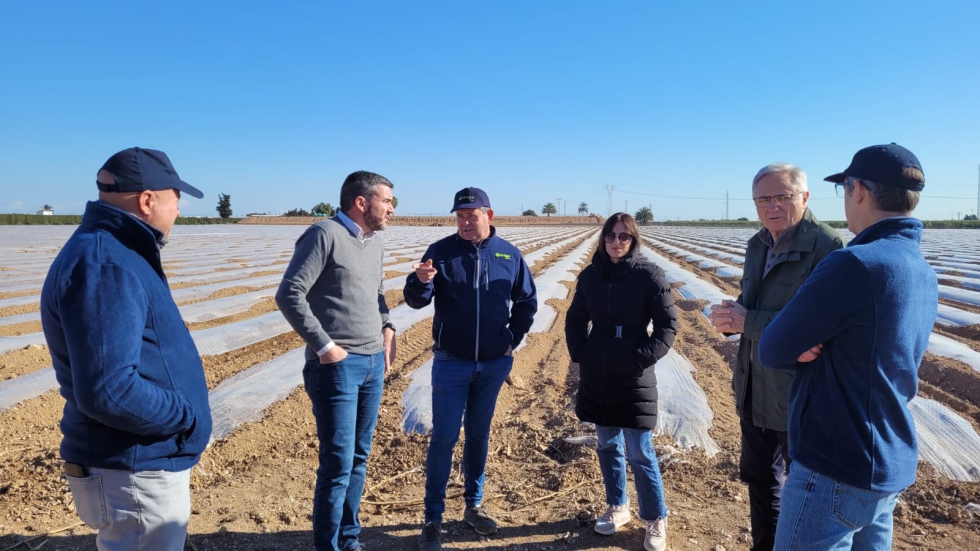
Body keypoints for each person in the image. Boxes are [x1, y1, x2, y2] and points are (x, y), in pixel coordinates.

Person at [758, 144, 937, 550]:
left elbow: (772, 347)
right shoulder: (919, 267)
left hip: (834, 466)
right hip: (886, 459)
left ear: (858, 190)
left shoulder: (856, 263)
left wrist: (799, 343)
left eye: (845, 190)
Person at [39, 147, 211, 550]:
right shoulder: (106, 263)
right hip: (133, 470)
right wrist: (185, 416)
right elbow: (110, 390)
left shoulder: (118, 251)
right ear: (147, 200)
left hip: (137, 463)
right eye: (175, 198)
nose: (180, 211)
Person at [707, 163, 843, 551]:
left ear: (804, 197)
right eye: (763, 199)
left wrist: (748, 321)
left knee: (804, 492)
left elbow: (817, 331)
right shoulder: (757, 244)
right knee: (761, 484)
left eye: (782, 196)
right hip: (755, 387)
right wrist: (733, 318)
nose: (772, 206)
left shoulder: (828, 248)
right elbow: (755, 307)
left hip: (799, 397)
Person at [404, 187, 537, 551]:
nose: (464, 221)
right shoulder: (440, 252)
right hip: (452, 362)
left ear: (488, 216)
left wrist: (513, 336)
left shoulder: (509, 254)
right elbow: (416, 301)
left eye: (471, 215)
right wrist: (420, 282)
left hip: (494, 363)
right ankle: (433, 518)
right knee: (444, 438)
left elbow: (526, 301)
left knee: (478, 435)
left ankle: (473, 506)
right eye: (459, 216)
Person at [276, 170, 397, 551]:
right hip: (337, 368)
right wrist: (325, 346)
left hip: (373, 362)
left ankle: (349, 539)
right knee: (338, 462)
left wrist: (388, 327)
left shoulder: (373, 242)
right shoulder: (323, 234)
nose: (392, 209)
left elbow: (376, 294)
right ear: (362, 202)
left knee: (359, 458)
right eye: (388, 201)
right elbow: (289, 293)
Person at [564, 213, 678, 551]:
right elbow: (574, 317)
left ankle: (656, 517)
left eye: (623, 237)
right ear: (602, 239)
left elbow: (667, 327)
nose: (616, 242)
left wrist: (638, 357)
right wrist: (580, 352)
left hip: (633, 376)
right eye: (610, 236)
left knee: (640, 451)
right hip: (597, 372)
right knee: (607, 444)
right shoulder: (590, 276)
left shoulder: (649, 275)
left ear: (633, 240)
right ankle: (618, 507)